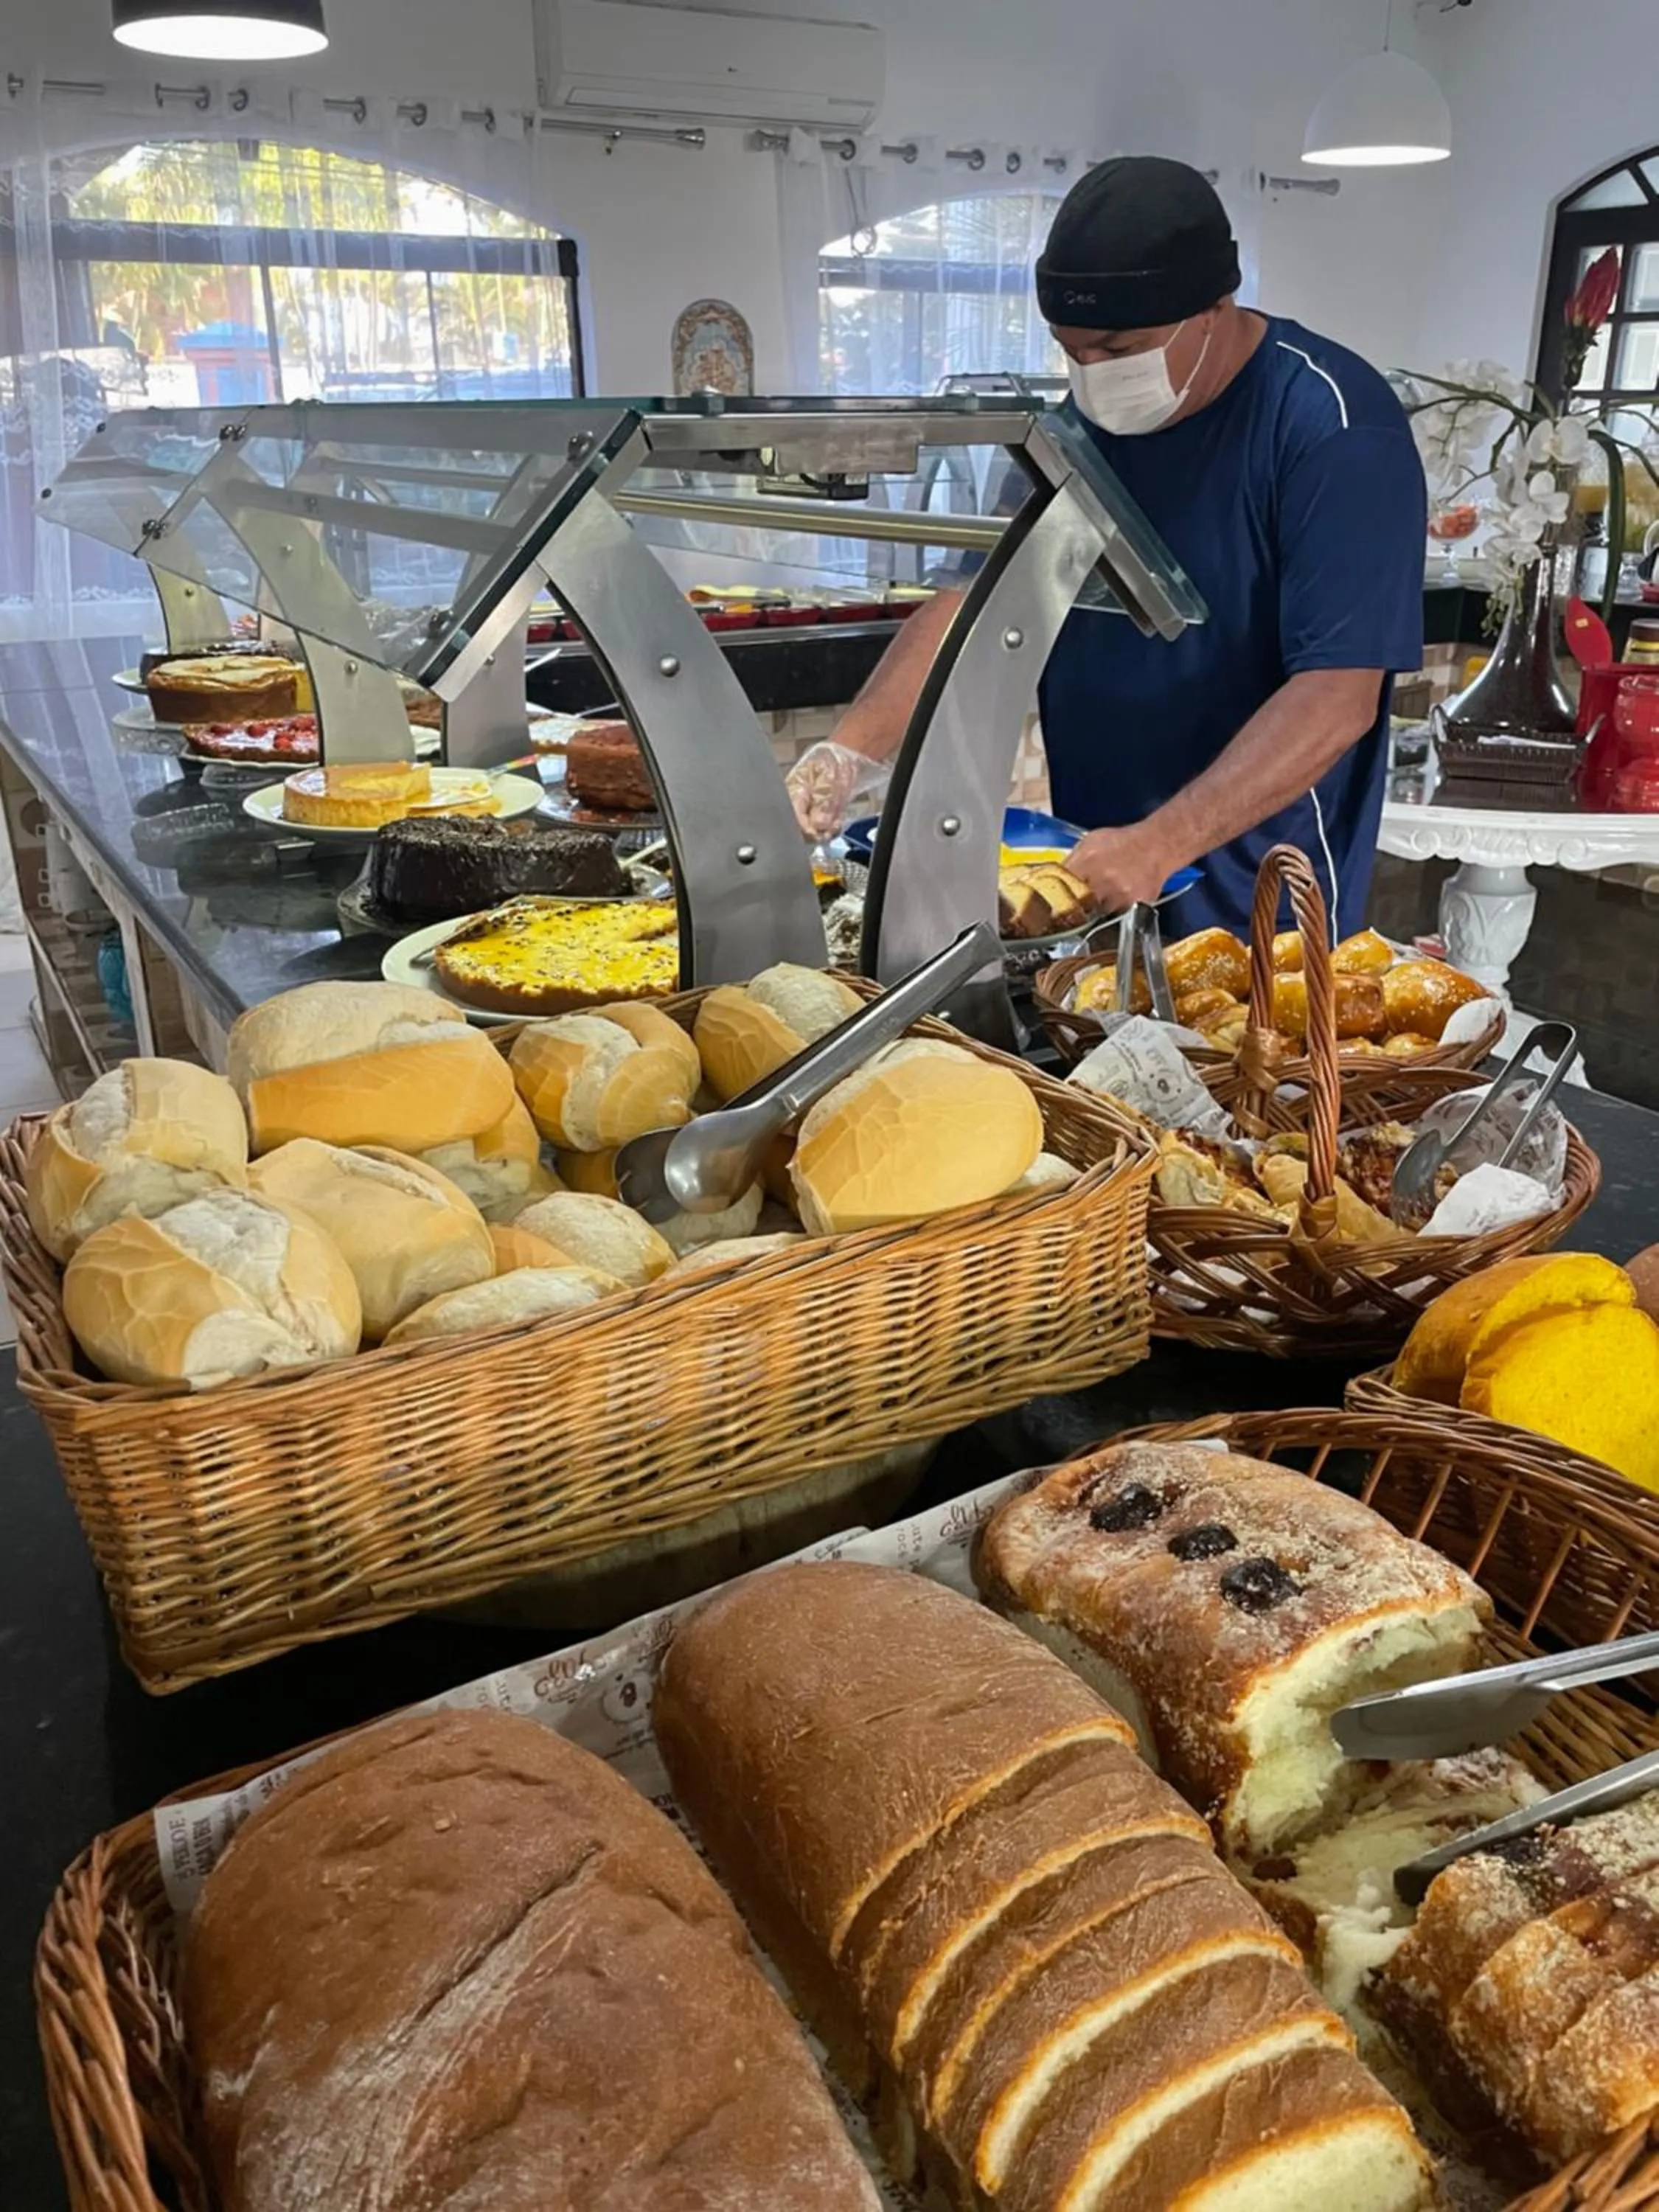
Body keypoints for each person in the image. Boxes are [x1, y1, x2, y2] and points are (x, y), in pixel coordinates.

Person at [787, 156, 1427, 940]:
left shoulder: (1332, 426)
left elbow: (1338, 697)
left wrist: (1162, 842)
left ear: (1214, 307)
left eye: (1119, 349)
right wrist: (845, 755)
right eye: (1072, 351)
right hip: (1096, 863)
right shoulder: (1076, 427)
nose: (1093, 376)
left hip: (1262, 888)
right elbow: (970, 607)